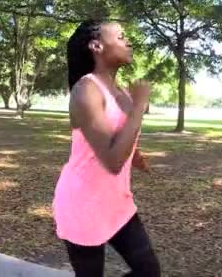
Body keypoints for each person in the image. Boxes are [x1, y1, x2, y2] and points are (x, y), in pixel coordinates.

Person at [52, 20, 160, 277]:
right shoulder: (86, 90)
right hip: (82, 203)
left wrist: (136, 156)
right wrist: (139, 107)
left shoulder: (121, 91)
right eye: (121, 36)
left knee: (149, 271)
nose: (129, 42)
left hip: (116, 202)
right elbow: (112, 161)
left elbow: (118, 137)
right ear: (97, 46)